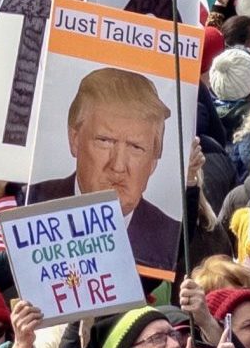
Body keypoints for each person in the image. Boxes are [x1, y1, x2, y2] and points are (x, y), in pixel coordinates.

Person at [24, 67, 181, 272]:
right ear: (74, 139)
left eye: (136, 147)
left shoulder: (171, 237)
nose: (117, 166)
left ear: (153, 161)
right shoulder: (30, 205)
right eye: (105, 141)